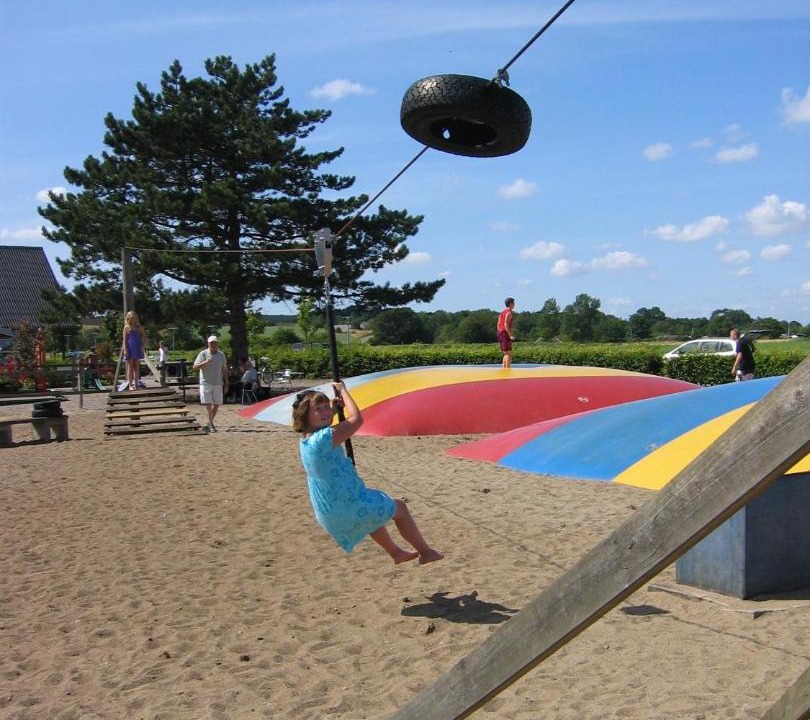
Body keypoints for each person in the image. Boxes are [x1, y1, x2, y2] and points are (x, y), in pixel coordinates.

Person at [293, 381, 443, 565]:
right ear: (305, 415)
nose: (326, 412)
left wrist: (336, 409)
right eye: (319, 409)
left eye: (327, 407)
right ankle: (426, 552)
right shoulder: (324, 439)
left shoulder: (306, 440)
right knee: (400, 508)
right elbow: (356, 420)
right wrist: (344, 392)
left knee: (371, 515)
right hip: (345, 504)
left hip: (333, 506)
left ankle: (396, 553)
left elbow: (337, 428)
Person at [193, 335, 229, 432]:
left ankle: (209, 423)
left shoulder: (221, 355)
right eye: (211, 343)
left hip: (218, 382)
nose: (213, 344)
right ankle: (211, 425)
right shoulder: (203, 354)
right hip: (206, 382)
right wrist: (205, 362)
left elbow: (224, 369)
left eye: (215, 342)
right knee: (208, 404)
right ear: (208, 344)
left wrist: (226, 383)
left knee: (217, 404)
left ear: (217, 343)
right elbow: (195, 367)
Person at [122, 310, 147, 390]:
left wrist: (142, 345)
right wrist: (125, 350)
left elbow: (144, 337)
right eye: (131, 318)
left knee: (137, 367)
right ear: (128, 318)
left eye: (134, 318)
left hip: (137, 348)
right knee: (130, 367)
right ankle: (130, 385)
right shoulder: (126, 328)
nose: (133, 319)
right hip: (129, 348)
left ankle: (136, 384)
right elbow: (125, 340)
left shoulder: (139, 327)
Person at [496, 297, 516, 369]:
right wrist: (510, 335)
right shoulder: (509, 312)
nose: (514, 305)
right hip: (504, 333)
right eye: (514, 303)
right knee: (508, 353)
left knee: (505, 353)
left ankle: (504, 369)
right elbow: (506, 324)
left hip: (500, 333)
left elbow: (498, 324)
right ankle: (507, 370)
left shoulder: (502, 313)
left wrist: (499, 333)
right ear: (511, 304)